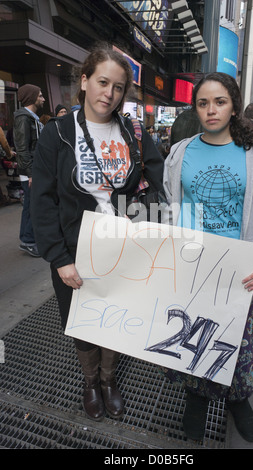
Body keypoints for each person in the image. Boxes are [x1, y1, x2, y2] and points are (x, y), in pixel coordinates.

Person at [31, 43, 165, 422]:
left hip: (124, 249)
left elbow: (158, 179)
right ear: (85, 81)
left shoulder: (132, 132)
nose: (110, 93)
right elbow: (41, 201)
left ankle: (109, 381)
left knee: (117, 317)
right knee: (84, 322)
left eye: (119, 87)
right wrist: (59, 258)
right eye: (103, 82)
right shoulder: (57, 133)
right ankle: (90, 381)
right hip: (75, 250)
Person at [162, 72, 253, 443]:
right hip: (193, 266)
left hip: (237, 269)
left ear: (233, 106)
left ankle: (237, 398)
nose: (210, 110)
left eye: (219, 102)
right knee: (194, 336)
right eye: (202, 103)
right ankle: (197, 398)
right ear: (195, 108)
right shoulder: (180, 153)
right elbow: (170, 207)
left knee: (236, 340)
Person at [13, 84, 45, 257]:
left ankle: (28, 239)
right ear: (32, 97)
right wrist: (31, 173)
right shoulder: (23, 118)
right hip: (30, 172)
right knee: (34, 206)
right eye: (40, 96)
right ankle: (29, 240)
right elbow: (22, 149)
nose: (43, 99)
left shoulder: (31, 117)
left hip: (33, 170)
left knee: (30, 205)